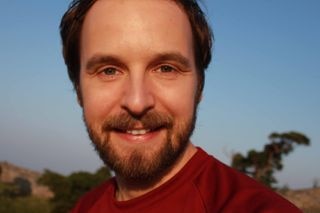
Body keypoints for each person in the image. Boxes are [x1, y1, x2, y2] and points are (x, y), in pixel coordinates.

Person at [60, 0, 302, 212]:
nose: (137, 102)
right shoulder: (85, 207)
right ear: (79, 89)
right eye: (109, 70)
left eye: (166, 68)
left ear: (199, 88)